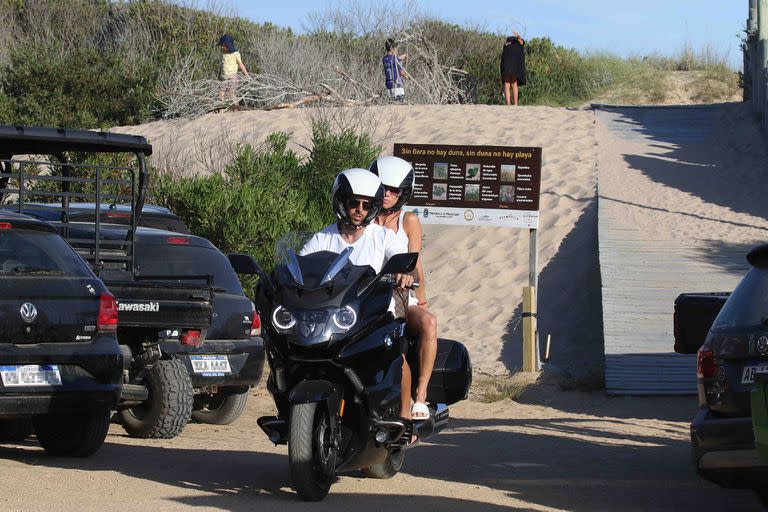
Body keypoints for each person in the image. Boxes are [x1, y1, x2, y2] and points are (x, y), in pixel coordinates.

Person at [300, 168, 420, 438]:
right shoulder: (324, 237)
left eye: (367, 205)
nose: (359, 210)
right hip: (332, 315)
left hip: (372, 314)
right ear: (342, 201)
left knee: (396, 357)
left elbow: (401, 257)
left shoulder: (384, 237)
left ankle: (404, 416)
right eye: (354, 202)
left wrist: (403, 272)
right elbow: (300, 263)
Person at [369, 156, 437, 422]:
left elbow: (414, 261)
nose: (387, 194)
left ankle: (420, 396)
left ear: (403, 192)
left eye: (394, 190)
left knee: (429, 322)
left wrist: (418, 294)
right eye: (383, 187)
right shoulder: (363, 214)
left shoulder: (408, 220)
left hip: (400, 295)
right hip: (366, 294)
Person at [217, 34, 250, 108]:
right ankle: (221, 108)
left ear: (228, 45)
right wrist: (219, 75)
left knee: (231, 92)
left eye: (223, 45)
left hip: (233, 77)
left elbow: (241, 64)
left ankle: (236, 107)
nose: (222, 47)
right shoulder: (224, 54)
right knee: (221, 93)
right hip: (224, 77)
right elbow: (222, 65)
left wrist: (246, 75)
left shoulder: (235, 54)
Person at [500, 31, 526, 106]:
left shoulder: (506, 44)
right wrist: (518, 36)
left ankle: (508, 104)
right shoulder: (518, 43)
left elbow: (503, 57)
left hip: (506, 65)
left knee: (507, 83)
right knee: (514, 83)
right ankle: (515, 104)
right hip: (514, 65)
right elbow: (522, 42)